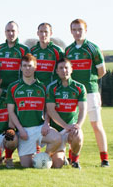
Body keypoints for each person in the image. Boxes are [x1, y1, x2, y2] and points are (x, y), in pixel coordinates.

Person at [65, 19, 109, 167]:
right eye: (74, 29)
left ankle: (104, 159)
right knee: (74, 127)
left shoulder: (93, 48)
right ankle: (74, 159)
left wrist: (89, 82)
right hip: (73, 95)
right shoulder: (68, 50)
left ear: (86, 30)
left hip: (90, 92)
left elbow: (101, 71)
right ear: (71, 31)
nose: (77, 32)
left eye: (80, 29)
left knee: (96, 125)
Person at [7, 53, 62, 168]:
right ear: (20, 67)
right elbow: (11, 112)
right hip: (24, 131)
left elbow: (47, 109)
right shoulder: (13, 87)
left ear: (35, 67)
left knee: (57, 139)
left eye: (30, 66)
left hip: (39, 128)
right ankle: (11, 157)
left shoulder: (42, 87)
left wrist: (46, 124)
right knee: (26, 165)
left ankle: (44, 156)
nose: (27, 68)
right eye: (25, 65)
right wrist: (20, 130)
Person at [46, 58, 87, 169]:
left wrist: (78, 125)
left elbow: (83, 109)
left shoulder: (79, 87)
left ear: (71, 69)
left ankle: (74, 160)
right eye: (61, 68)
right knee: (56, 165)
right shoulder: (52, 87)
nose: (64, 70)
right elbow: (51, 110)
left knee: (78, 135)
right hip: (56, 131)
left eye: (66, 67)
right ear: (57, 71)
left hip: (71, 129)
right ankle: (61, 156)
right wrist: (65, 126)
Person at [0, 21, 30, 89]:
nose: (10, 33)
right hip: (1, 88)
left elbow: (29, 70)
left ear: (18, 32)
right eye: (8, 31)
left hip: (18, 88)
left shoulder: (24, 49)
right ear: (5, 32)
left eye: (13, 31)